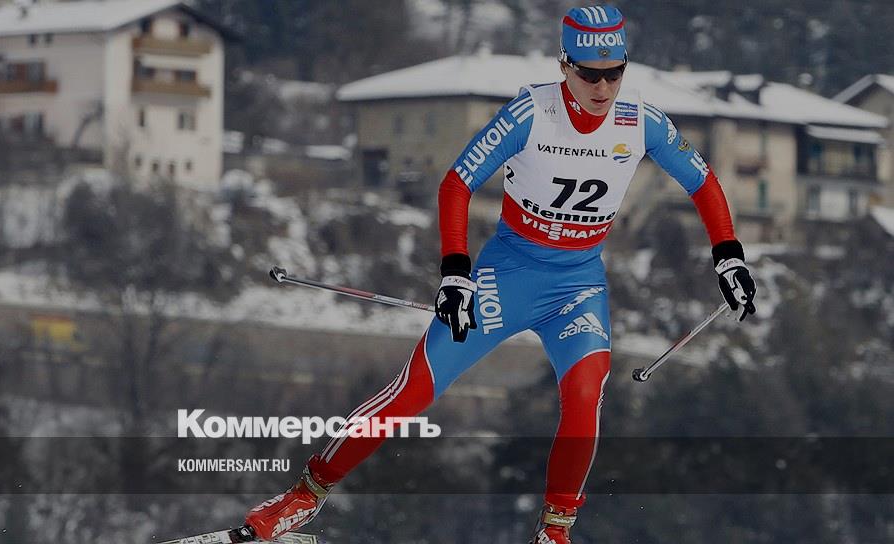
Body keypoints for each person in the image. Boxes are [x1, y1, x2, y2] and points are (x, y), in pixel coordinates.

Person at [240, 4, 757, 543]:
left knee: (585, 399)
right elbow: (457, 184)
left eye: (614, 73)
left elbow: (703, 182)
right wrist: (455, 273)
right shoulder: (530, 113)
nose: (603, 87)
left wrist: (729, 257)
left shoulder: (641, 121)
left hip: (577, 286)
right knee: (414, 391)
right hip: (507, 276)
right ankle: (304, 496)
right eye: (589, 74)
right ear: (565, 66)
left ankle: (554, 533)